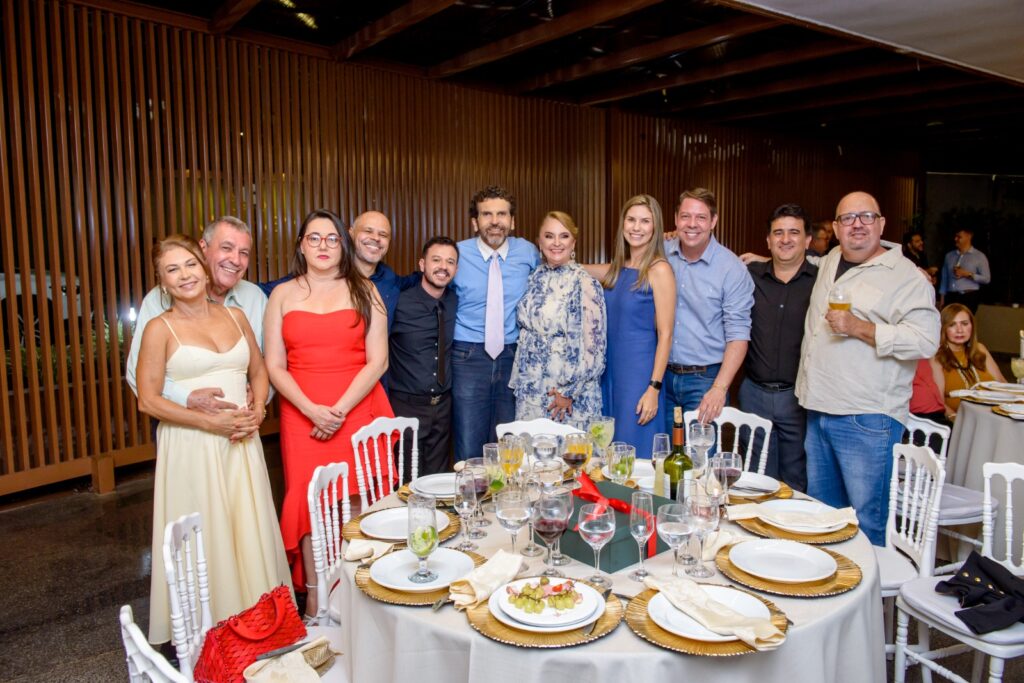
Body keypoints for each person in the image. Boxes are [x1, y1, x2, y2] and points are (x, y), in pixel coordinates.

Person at [135, 235, 288, 644]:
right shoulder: (159, 328)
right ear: (162, 282)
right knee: (207, 535)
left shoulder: (235, 316)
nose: (184, 275)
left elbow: (259, 370)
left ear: (203, 269)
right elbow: (147, 400)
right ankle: (209, 635)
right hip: (192, 447)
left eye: (189, 264)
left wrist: (258, 410)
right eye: (172, 270)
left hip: (241, 443)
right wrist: (207, 423)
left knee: (245, 528)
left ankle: (257, 624)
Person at [263, 209, 393, 615]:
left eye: (332, 238)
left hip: (355, 407)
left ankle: (357, 592)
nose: (323, 246)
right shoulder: (282, 295)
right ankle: (317, 596)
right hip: (300, 413)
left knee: (355, 499)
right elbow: (273, 365)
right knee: (309, 503)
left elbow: (378, 361)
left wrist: (337, 410)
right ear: (301, 245)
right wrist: (310, 410)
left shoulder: (366, 291)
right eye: (314, 238)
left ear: (343, 245)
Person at [795, 191, 940, 546]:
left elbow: (926, 340)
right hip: (818, 409)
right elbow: (802, 261)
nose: (857, 224)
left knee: (867, 523)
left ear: (882, 224)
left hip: (867, 418)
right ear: (836, 228)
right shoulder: (831, 260)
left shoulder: (907, 277)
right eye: (848, 218)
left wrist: (861, 327)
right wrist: (759, 258)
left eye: (866, 217)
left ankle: (872, 585)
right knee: (824, 520)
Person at [127, 216, 267, 412]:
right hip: (181, 419)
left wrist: (258, 400)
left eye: (243, 253)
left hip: (243, 420)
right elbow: (140, 378)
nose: (235, 260)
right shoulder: (157, 302)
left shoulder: (255, 298)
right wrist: (187, 399)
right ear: (203, 248)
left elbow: (267, 364)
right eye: (226, 248)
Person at [451, 186, 539, 461]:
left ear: (512, 221)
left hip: (513, 356)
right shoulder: (457, 254)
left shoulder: (528, 252)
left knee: (510, 442)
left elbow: (556, 274)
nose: (495, 221)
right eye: (486, 214)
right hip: (467, 356)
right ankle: (471, 488)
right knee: (469, 441)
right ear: (474, 222)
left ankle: (506, 490)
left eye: (502, 214)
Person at [585, 195, 674, 451]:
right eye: (631, 219)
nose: (636, 227)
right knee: (608, 450)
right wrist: (559, 256)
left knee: (634, 448)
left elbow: (666, 334)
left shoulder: (659, 270)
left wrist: (653, 389)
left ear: (655, 227)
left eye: (645, 221)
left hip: (639, 376)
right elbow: (579, 268)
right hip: (610, 374)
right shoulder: (618, 269)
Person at [739, 204, 817, 492]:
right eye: (778, 233)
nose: (785, 239)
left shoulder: (823, 280)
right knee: (754, 479)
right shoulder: (748, 274)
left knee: (797, 480)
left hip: (798, 398)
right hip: (754, 394)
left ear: (808, 240)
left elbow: (857, 263)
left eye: (794, 232)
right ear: (768, 240)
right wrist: (673, 237)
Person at [664, 187, 754, 427]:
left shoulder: (731, 269)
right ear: (676, 219)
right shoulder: (661, 253)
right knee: (662, 448)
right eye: (685, 216)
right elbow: (624, 270)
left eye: (701, 217)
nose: (692, 224)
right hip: (661, 377)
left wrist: (719, 388)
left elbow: (738, 336)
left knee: (700, 450)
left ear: (713, 221)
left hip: (705, 380)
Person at [510, 212, 606, 429]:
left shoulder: (585, 283)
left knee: (567, 450)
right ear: (539, 242)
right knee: (529, 449)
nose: (556, 243)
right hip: (531, 389)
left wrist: (569, 392)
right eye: (549, 236)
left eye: (564, 236)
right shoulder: (534, 278)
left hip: (565, 394)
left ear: (574, 242)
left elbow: (594, 349)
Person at [388, 236, 459, 476]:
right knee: (407, 483)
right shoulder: (398, 303)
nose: (443, 267)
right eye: (436, 260)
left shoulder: (454, 301)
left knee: (438, 480)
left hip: (443, 407)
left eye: (450, 262)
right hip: (406, 408)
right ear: (422, 264)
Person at [929, 303, 1007, 419]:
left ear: (972, 326)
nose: (959, 330)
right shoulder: (937, 356)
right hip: (961, 419)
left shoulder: (980, 349)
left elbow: (1002, 384)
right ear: (943, 328)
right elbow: (939, 401)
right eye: (952, 325)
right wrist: (955, 418)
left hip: (995, 415)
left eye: (964, 324)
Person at [939, 228, 990, 313]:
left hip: (969, 297)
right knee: (949, 320)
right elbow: (944, 279)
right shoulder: (949, 256)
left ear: (969, 236)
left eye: (959, 237)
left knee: (965, 319)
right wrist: (942, 299)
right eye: (955, 236)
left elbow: (986, 279)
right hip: (951, 296)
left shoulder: (979, 256)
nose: (955, 239)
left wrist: (967, 274)